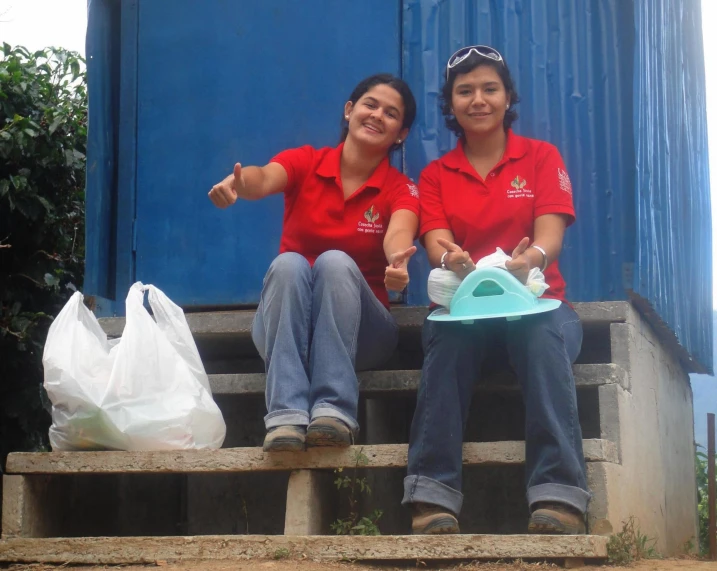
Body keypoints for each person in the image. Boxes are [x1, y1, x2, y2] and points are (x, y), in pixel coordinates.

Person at [402, 46, 589, 535]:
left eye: (489, 88)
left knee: (541, 332)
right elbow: (435, 240)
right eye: (465, 91)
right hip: (465, 312)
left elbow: (550, 235)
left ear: (508, 97)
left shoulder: (542, 158)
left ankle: (559, 494)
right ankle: (432, 495)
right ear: (451, 103)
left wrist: (530, 260)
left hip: (540, 307)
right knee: (447, 339)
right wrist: (452, 260)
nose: (478, 100)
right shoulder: (436, 175)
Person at [209, 74, 419, 453]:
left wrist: (397, 261)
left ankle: (333, 413)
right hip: (288, 328)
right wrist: (239, 184)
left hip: (362, 337)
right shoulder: (306, 161)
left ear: (400, 133)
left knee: (334, 262)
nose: (377, 116)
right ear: (350, 110)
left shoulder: (400, 188)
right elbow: (264, 177)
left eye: (391, 114)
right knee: (289, 263)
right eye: (370, 104)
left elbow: (399, 231)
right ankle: (285, 418)